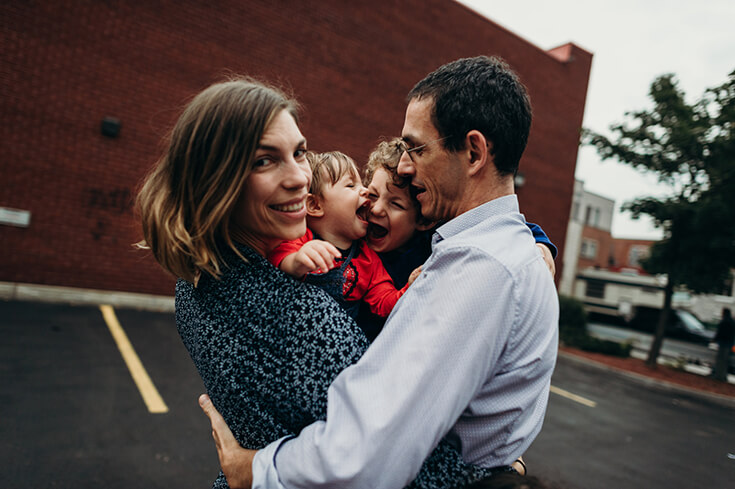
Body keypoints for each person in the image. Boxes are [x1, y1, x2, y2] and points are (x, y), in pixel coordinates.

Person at [137, 77, 517, 489]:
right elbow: (401, 463)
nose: (301, 177)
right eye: (265, 161)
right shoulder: (301, 315)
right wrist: (504, 476)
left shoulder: (191, 284)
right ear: (216, 180)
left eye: (299, 152)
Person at [357, 138, 557, 339]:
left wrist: (541, 244)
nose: (376, 208)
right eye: (373, 195)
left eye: (396, 205)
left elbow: (499, 223)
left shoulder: (430, 247)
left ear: (424, 221)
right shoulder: (354, 238)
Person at [268, 151, 417, 319]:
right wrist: (296, 262)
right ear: (315, 205)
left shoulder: (369, 260)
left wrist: (410, 288)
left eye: (362, 184)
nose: (365, 191)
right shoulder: (301, 238)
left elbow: (384, 303)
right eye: (351, 185)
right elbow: (276, 260)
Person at [712, 307, 734, 381]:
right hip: (729, 343)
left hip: (723, 342)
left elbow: (720, 332)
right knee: (726, 360)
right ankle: (723, 375)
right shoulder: (732, 322)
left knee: (721, 359)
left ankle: (719, 375)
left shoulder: (724, 322)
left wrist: (715, 339)